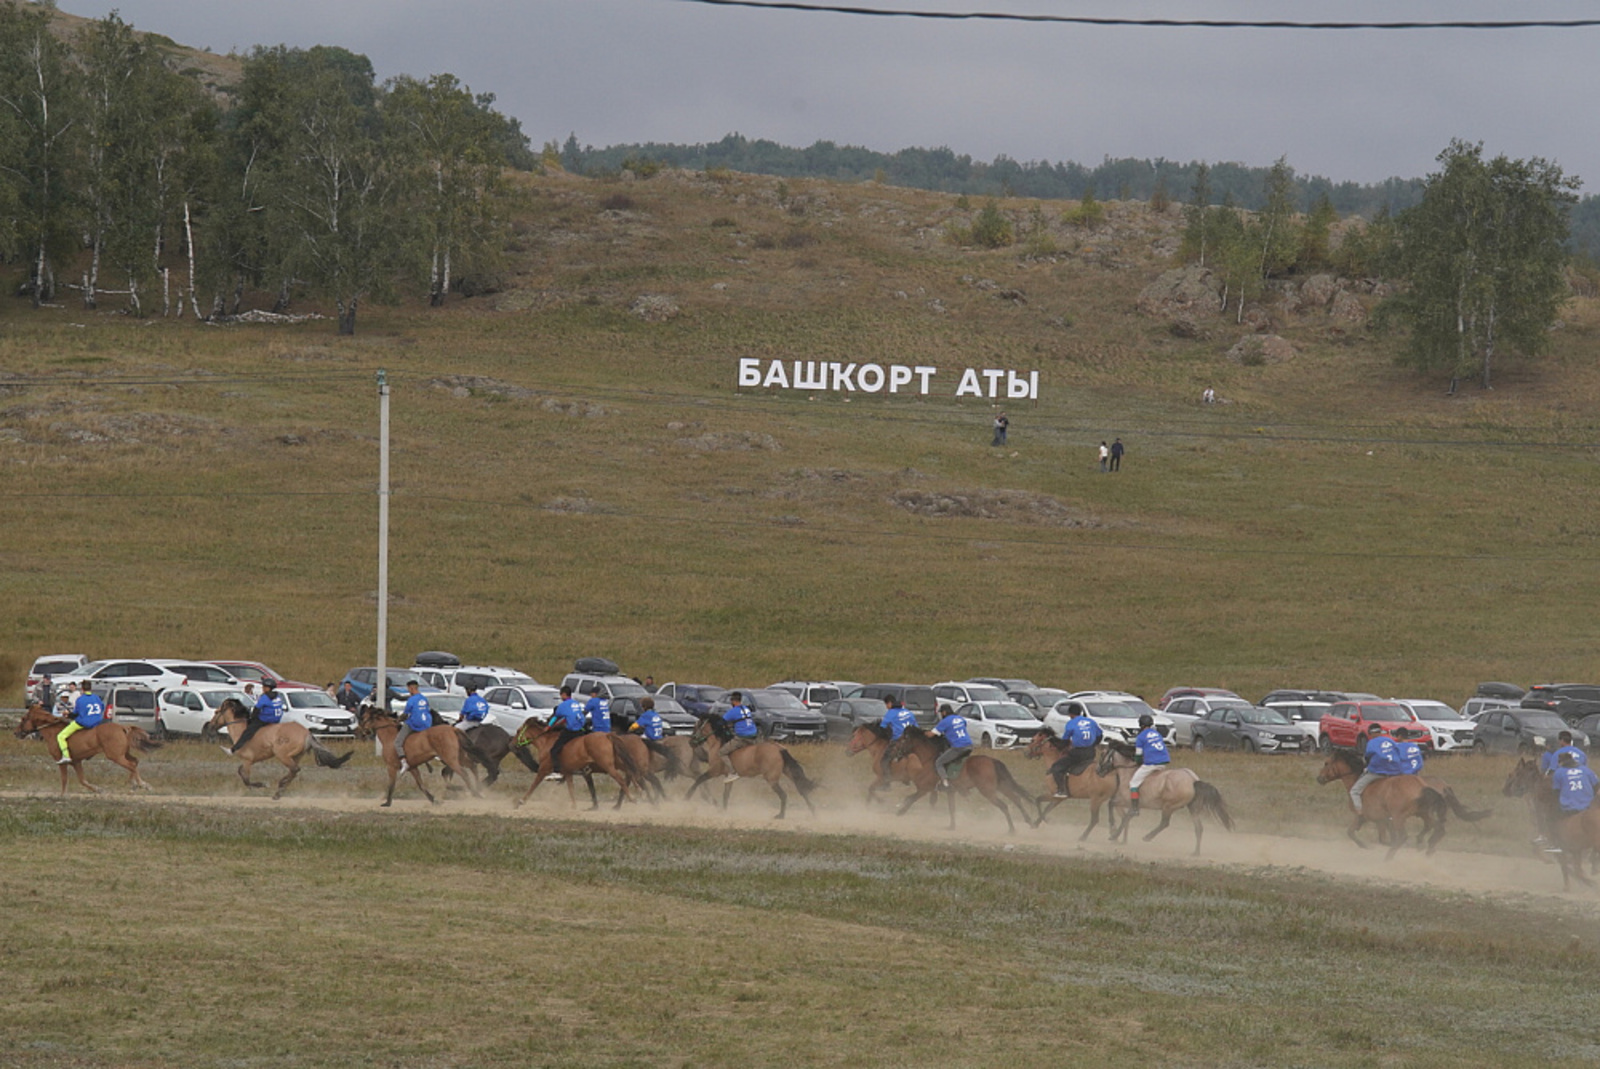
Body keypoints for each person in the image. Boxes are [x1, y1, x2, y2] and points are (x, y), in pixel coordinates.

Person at [1350, 723, 1403, 815]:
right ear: (1380, 732)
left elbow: (1367, 757)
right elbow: (1400, 754)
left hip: (1378, 772)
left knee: (1354, 791)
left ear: (1371, 733)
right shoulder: (1390, 741)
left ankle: (1360, 811)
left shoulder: (1371, 743)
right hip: (1396, 772)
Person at [1051, 708, 1103, 799]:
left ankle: (1061, 790)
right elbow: (1100, 735)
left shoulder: (1071, 723)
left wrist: (1059, 747)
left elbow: (1065, 741)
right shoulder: (1091, 721)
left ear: (1070, 714)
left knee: (1057, 767)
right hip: (1091, 752)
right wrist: (1093, 745)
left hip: (1077, 753)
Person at [1127, 713, 1170, 815]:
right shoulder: (1157, 733)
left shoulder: (1141, 737)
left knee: (1133, 783)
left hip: (1152, 763)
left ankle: (1135, 809)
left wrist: (1137, 762)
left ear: (1141, 725)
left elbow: (1138, 755)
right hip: (1163, 761)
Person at [875, 696, 919, 789]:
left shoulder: (891, 713)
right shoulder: (909, 712)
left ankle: (886, 784)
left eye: (886, 705)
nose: (886, 707)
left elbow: (882, 727)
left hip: (898, 740)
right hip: (912, 740)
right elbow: (916, 727)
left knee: (884, 760)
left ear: (890, 704)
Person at [57, 685, 108, 764]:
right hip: (97, 721)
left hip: (84, 722)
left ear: (82, 689)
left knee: (61, 736)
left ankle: (66, 756)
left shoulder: (80, 699)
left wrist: (68, 715)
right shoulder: (96, 697)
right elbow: (102, 707)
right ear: (90, 689)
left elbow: (76, 713)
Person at [545, 686, 586, 782]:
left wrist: (549, 726)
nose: (561, 697)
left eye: (561, 695)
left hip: (571, 731)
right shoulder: (576, 703)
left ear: (564, 694)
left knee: (554, 750)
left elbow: (556, 717)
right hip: (581, 729)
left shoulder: (563, 705)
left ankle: (557, 771)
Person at [232, 678, 284, 753]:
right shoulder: (277, 696)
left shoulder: (265, 697)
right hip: (277, 719)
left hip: (266, 719)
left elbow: (257, 709)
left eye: (264, 687)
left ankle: (235, 748)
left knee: (249, 730)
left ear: (268, 688)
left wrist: (252, 718)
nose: (263, 688)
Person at [719, 691, 760, 782]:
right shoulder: (746, 709)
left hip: (742, 737)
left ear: (733, 701)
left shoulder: (733, 711)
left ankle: (732, 773)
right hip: (753, 735)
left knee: (722, 752)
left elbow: (722, 721)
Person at [929, 706, 973, 788]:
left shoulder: (945, 721)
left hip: (958, 747)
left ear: (944, 712)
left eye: (941, 713)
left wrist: (922, 733)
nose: (941, 714)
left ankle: (945, 783)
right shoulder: (960, 718)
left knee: (939, 762)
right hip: (969, 745)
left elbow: (931, 735)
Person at [395, 680, 432, 772]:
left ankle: (404, 762)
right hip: (426, 724)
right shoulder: (424, 698)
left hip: (414, 723)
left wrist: (398, 720)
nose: (408, 691)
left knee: (398, 742)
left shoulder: (411, 699)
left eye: (408, 689)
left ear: (411, 688)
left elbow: (405, 714)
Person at [1552, 751, 1600, 816]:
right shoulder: (1586, 770)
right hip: (1588, 805)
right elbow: (1597, 786)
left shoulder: (1558, 772)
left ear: (1561, 762)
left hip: (1569, 808)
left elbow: (1556, 791)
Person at [629, 696, 672, 766]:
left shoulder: (646, 715)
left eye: (642, 706)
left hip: (650, 737)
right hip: (659, 736)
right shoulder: (655, 714)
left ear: (644, 707)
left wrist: (629, 730)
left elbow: (634, 726)